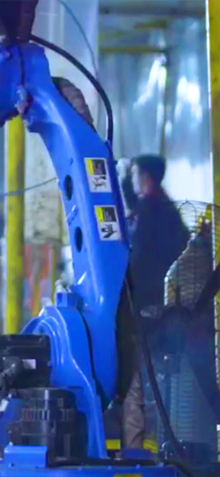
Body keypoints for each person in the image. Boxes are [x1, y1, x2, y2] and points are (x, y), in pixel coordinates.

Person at [119, 153, 190, 449]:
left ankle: (137, 447)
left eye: (135, 174)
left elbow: (139, 260)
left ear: (146, 177)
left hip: (145, 306)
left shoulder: (150, 214)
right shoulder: (164, 209)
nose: (133, 180)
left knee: (137, 380)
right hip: (159, 305)